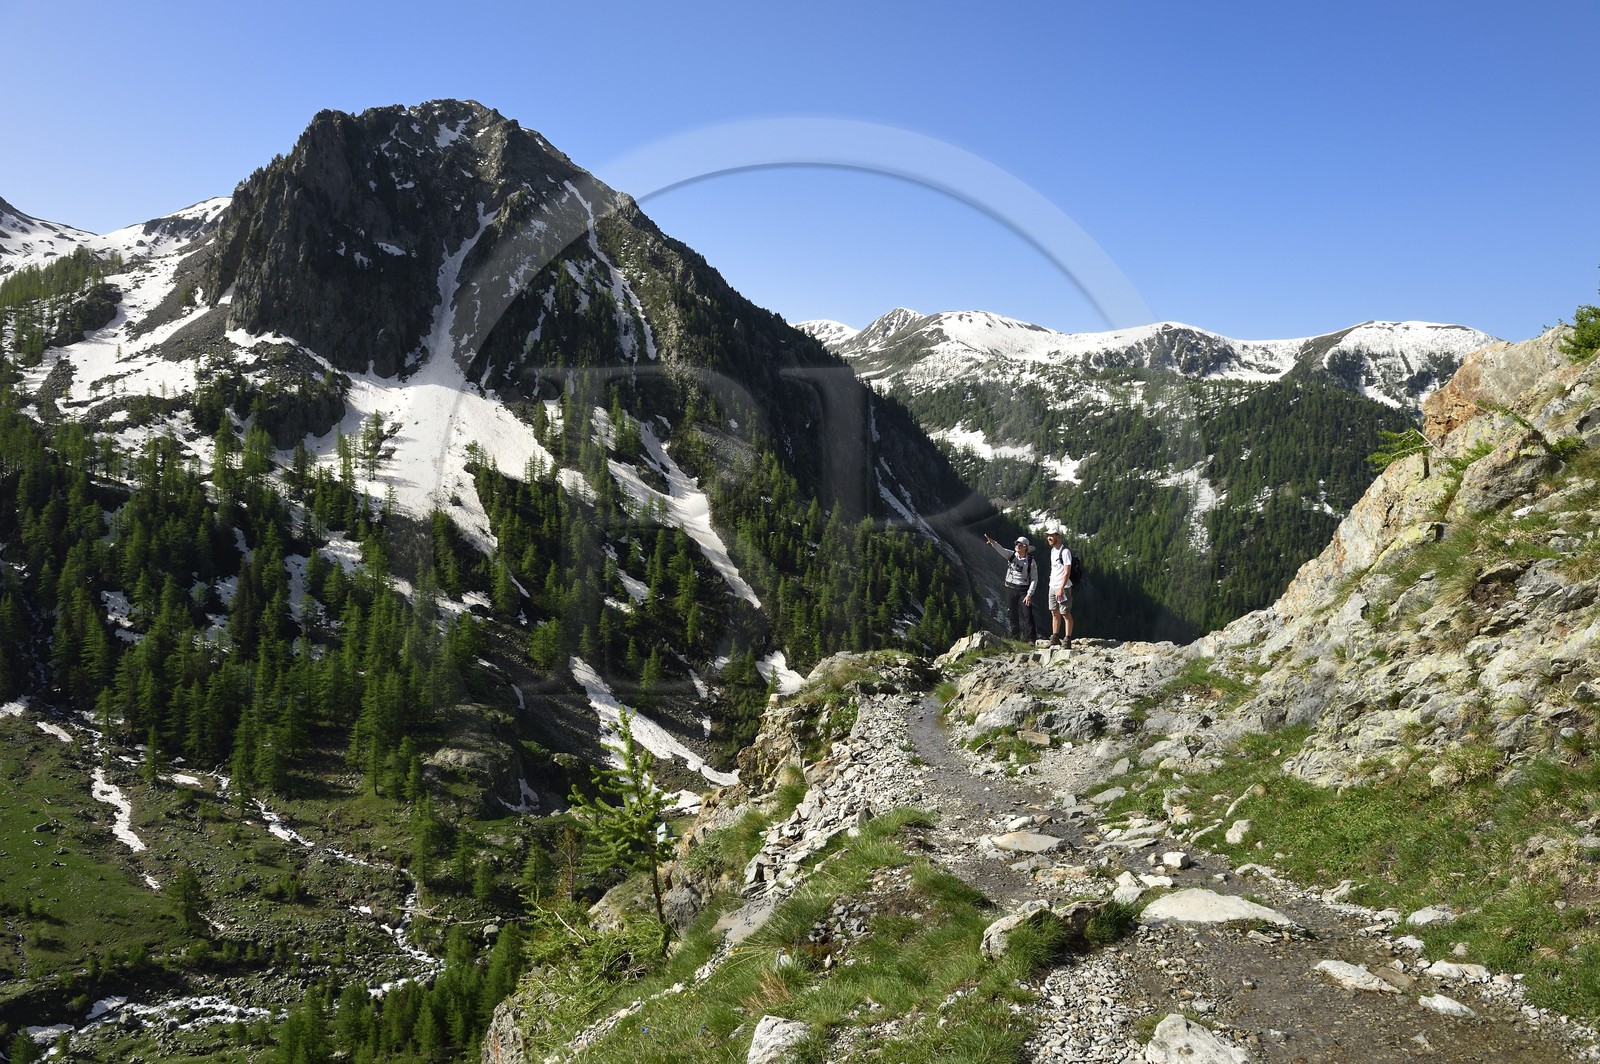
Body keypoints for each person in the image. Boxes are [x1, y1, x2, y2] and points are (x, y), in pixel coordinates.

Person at [982, 532, 1037, 642]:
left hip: (1023, 590)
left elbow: (1034, 579)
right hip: (1010, 588)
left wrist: (1029, 594)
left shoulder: (1030, 561)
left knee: (1027, 614)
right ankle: (1015, 638)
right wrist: (993, 543)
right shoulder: (1011, 555)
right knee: (1012, 614)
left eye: (1020, 544)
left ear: (1026, 547)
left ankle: (1031, 640)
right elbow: (1001, 550)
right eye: (1016, 543)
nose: (1017, 546)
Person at [1044, 524, 1073, 649]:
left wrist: (1061, 588)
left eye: (1051, 535)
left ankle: (1067, 639)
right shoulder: (1052, 551)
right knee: (1054, 612)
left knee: (1065, 613)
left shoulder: (1065, 551)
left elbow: (1067, 571)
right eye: (1048, 535)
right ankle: (1055, 637)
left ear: (1058, 536)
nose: (1049, 538)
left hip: (1063, 587)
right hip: (1053, 586)